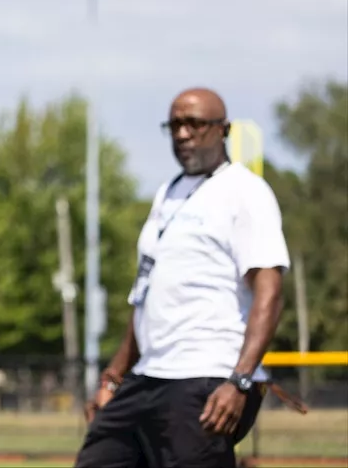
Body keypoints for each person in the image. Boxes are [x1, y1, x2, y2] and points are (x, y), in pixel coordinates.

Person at [74, 88, 291, 468]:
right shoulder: (168, 194)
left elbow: (269, 293)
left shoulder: (246, 191)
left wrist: (239, 381)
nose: (182, 134)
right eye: (174, 124)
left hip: (206, 376)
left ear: (222, 130)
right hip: (149, 376)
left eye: (193, 123)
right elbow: (145, 296)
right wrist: (113, 378)